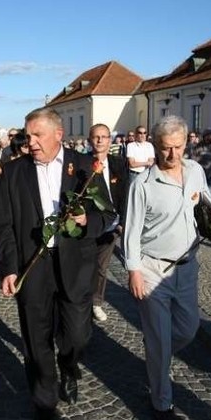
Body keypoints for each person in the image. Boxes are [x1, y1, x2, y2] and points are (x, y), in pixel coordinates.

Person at [0, 107, 114, 420]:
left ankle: (70, 365)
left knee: (77, 335)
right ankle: (44, 401)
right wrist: (8, 268)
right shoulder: (13, 171)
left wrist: (88, 220)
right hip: (32, 268)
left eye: (37, 135)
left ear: (58, 135)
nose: (30, 141)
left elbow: (109, 216)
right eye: (27, 135)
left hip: (75, 265)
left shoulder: (85, 167)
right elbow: (3, 224)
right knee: (36, 338)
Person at [124, 115, 211, 420]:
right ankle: (161, 404)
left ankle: (155, 357)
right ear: (154, 145)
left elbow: (205, 204)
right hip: (152, 269)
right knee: (161, 340)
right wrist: (133, 270)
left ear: (187, 142)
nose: (172, 154)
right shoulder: (142, 184)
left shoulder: (196, 171)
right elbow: (131, 232)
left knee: (188, 329)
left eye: (177, 147)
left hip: (187, 267)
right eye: (165, 148)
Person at [88, 123, 128, 322]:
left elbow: (125, 193)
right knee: (83, 265)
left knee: (101, 267)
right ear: (89, 140)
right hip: (87, 225)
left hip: (112, 225)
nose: (100, 140)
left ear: (110, 140)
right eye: (96, 137)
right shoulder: (81, 162)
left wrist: (123, 220)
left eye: (104, 136)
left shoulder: (119, 163)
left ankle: (96, 302)